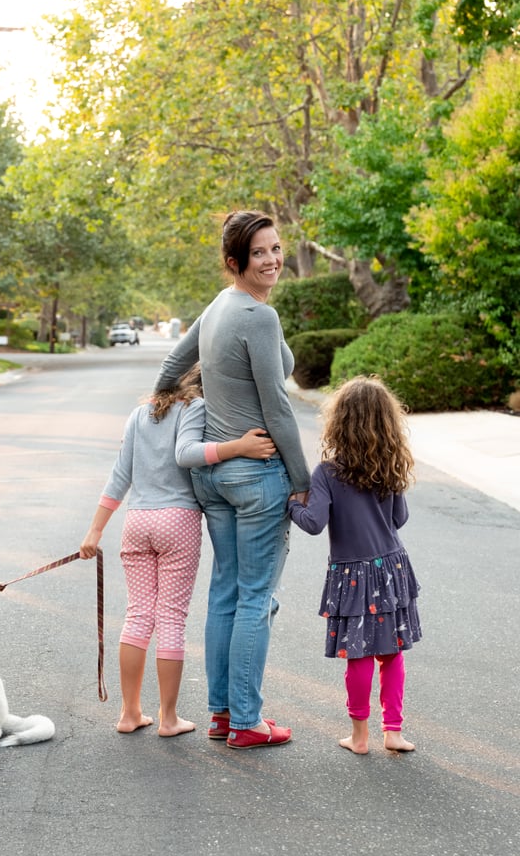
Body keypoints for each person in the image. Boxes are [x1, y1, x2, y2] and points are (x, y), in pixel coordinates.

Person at [155, 210, 311, 749]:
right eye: (259, 254)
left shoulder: (222, 306)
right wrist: (302, 480)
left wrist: (155, 408)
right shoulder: (255, 317)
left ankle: (223, 714)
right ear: (234, 263)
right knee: (254, 597)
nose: (272, 259)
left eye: (275, 248)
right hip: (256, 474)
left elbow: (174, 364)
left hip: (215, 480)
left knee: (225, 593)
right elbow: (279, 406)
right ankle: (247, 720)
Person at [79, 365, 276, 737]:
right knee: (170, 618)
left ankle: (129, 713)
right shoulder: (196, 408)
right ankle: (168, 719)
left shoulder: (141, 414)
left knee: (138, 616)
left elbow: (120, 474)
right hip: (178, 520)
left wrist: (95, 530)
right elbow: (191, 454)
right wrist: (240, 447)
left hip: (137, 521)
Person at [288, 376, 421, 754]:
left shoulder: (327, 473)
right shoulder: (390, 465)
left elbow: (313, 524)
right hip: (391, 568)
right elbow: (399, 519)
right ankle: (392, 732)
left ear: (339, 422)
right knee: (392, 652)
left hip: (353, 576)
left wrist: (291, 504)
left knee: (359, 655)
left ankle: (359, 737)